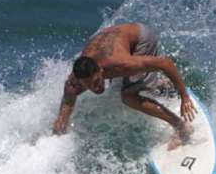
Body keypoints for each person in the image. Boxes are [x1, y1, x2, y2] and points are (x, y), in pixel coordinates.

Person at [52, 22, 196, 148]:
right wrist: (59, 129)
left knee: (128, 96)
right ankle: (157, 84)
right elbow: (67, 105)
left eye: (97, 82)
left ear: (101, 70)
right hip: (114, 38)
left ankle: (180, 126)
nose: (96, 89)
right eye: (89, 86)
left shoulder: (120, 64)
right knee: (129, 84)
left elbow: (165, 63)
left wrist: (185, 97)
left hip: (142, 38)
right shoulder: (74, 82)